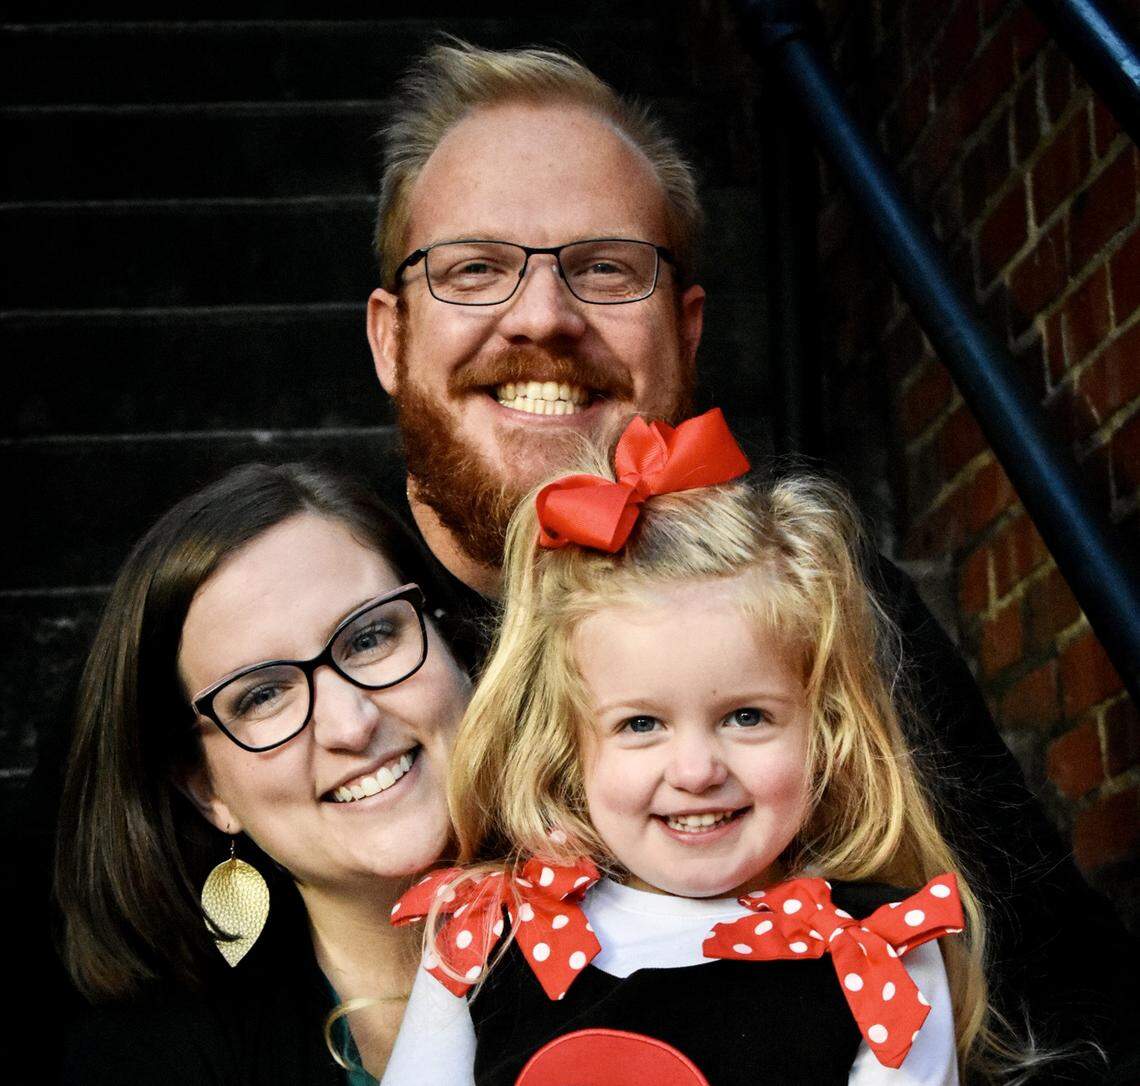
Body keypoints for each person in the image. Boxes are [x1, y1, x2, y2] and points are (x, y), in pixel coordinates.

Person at [364, 41, 1137, 1078]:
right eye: (474, 269)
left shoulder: (806, 603)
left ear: (686, 330)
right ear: (388, 337)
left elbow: (1070, 986)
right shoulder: (328, 626)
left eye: (604, 267)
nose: (542, 315)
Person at [381, 410, 1014, 1085]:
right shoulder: (483, 933)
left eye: (746, 717)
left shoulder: (875, 954)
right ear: (569, 745)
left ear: (825, 730)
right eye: (640, 725)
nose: (695, 771)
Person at [54, 462, 475, 1084]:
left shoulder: (655, 905)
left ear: (453, 646)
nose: (349, 724)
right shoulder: (153, 1064)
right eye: (261, 697)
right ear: (205, 788)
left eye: (370, 637)